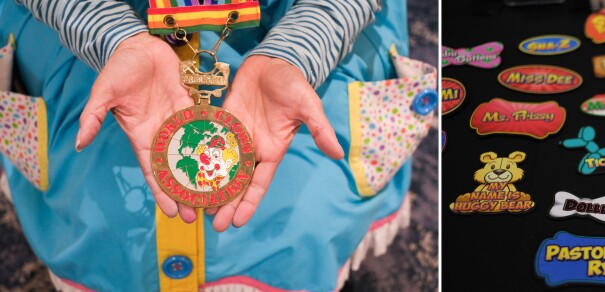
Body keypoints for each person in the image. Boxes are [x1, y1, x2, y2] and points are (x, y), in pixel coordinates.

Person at [0, 0, 436, 290]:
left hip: (311, 25)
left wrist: (299, 50)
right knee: (101, 212)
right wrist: (109, 34)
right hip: (85, 32)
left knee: (299, 214)